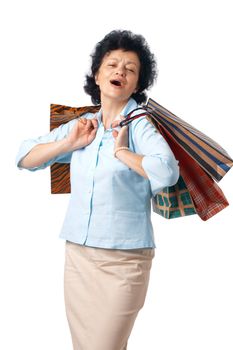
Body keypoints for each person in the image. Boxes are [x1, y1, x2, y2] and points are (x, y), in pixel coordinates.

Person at [16, 30, 179, 350]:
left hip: (124, 261)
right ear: (97, 75)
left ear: (136, 83)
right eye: (113, 64)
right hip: (78, 255)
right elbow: (24, 157)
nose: (120, 71)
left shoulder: (139, 123)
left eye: (130, 69)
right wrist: (69, 143)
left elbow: (167, 171)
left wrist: (123, 153)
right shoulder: (84, 124)